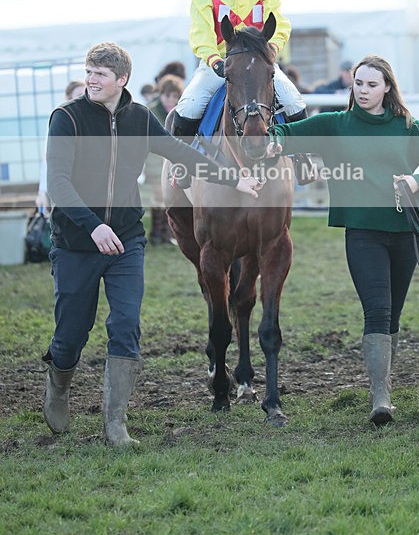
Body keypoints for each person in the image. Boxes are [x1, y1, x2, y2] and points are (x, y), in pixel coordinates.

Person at [43, 42, 262, 447]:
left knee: (126, 326)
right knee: (71, 332)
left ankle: (116, 425)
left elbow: (182, 152)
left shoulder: (139, 118)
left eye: (100, 74)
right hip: (76, 242)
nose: (91, 79)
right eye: (89, 72)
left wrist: (236, 180)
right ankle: (58, 384)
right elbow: (58, 182)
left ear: (121, 80)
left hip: (126, 239)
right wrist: (92, 227)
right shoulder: (66, 119)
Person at [267, 55, 419, 426]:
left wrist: (418, 183)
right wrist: (269, 140)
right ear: (351, 86)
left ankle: (384, 383)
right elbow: (284, 135)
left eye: (372, 84)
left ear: (387, 87)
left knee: (394, 315)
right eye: (359, 83)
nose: (364, 90)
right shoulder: (336, 125)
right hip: (363, 233)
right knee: (378, 310)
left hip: (405, 233)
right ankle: (380, 398)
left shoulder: (407, 127)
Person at [171, 0, 313, 186]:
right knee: (188, 107)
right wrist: (214, 60)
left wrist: (271, 50)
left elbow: (279, 23)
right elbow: (201, 32)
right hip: (220, 63)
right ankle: (182, 165)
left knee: (294, 100)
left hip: (260, 60)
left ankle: (303, 160)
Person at [145, 74, 184, 245]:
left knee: (170, 198)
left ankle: (165, 233)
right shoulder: (151, 111)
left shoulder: (181, 112)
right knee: (159, 196)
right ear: (160, 94)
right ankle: (157, 233)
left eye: (175, 96)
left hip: (173, 162)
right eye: (167, 95)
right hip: (154, 160)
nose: (170, 100)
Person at [35, 80, 86, 212]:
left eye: (86, 93)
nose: (84, 97)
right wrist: (42, 191)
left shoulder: (92, 121)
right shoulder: (60, 121)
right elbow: (48, 159)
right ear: (69, 98)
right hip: (65, 187)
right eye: (79, 94)